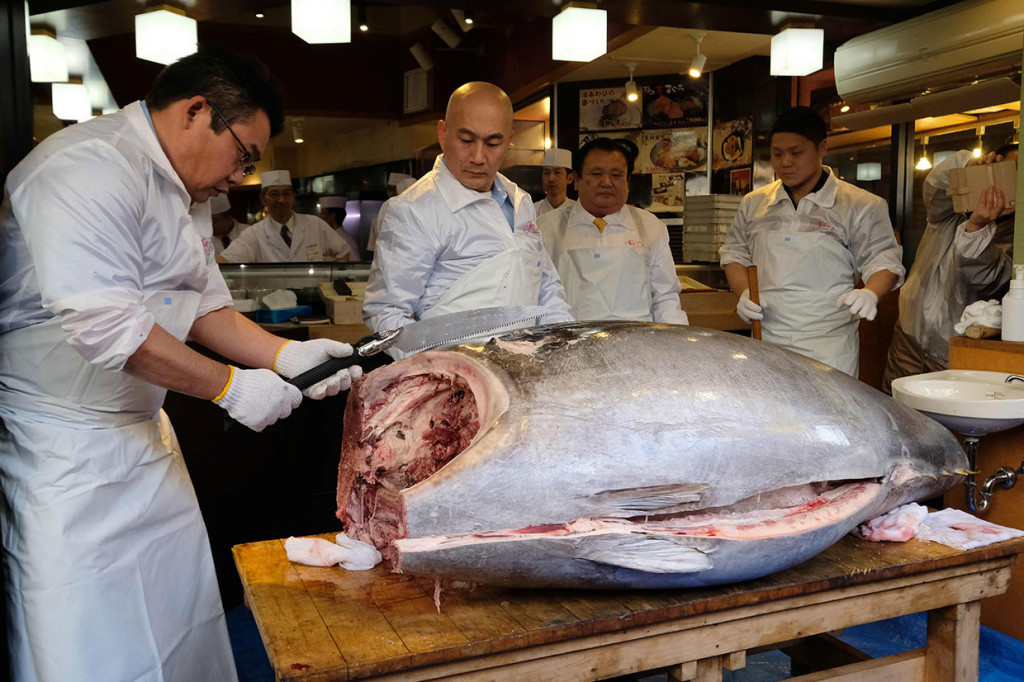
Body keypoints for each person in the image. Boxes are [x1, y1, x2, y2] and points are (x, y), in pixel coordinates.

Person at [0, 48, 363, 681]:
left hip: (144, 442)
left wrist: (287, 354)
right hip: (60, 448)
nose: (241, 178)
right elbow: (106, 326)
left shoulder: (186, 189)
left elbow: (201, 307)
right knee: (84, 634)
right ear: (197, 112)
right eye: (244, 156)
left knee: (179, 623)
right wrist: (231, 389)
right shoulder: (86, 167)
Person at [362, 81, 574, 347]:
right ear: (443, 133)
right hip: (456, 376)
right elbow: (386, 313)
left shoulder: (520, 201)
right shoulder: (412, 210)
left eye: (493, 143)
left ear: (509, 140)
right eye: (466, 140)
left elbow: (546, 288)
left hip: (524, 370)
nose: (478, 156)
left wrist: (563, 348)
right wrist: (443, 373)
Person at [719, 106, 904, 376]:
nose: (785, 162)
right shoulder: (754, 204)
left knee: (826, 415)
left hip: (829, 345)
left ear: (821, 148)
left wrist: (870, 292)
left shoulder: (861, 205)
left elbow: (884, 259)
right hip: (768, 338)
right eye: (777, 153)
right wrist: (744, 292)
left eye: (796, 153)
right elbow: (735, 254)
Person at [883, 144, 1018, 392]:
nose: (1006, 185)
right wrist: (967, 166)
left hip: (952, 356)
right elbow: (933, 187)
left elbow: (983, 277)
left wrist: (978, 227)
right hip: (907, 340)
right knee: (892, 418)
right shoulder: (947, 213)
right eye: (1003, 171)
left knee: (941, 426)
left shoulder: (1015, 239)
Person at [538, 137, 689, 324]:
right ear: (576, 180)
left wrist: (673, 347)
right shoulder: (545, 229)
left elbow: (665, 298)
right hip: (571, 343)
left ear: (628, 181)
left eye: (616, 175)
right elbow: (538, 298)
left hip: (638, 342)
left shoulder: (650, 226)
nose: (607, 182)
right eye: (596, 174)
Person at [219, 170, 353, 262]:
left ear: (293, 197)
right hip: (273, 302)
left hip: (314, 299)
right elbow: (226, 259)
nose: (281, 200)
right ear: (263, 198)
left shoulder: (315, 224)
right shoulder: (253, 234)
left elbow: (343, 252)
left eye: (286, 193)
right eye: (274, 194)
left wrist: (333, 283)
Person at [366, 173, 415, 254]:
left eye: (395, 189)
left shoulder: (415, 218)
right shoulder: (377, 219)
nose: (392, 193)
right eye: (389, 189)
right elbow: (373, 250)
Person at [533, 147, 576, 217]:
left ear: (569, 178)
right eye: (547, 173)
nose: (551, 179)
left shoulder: (577, 211)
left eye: (557, 172)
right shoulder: (533, 210)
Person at [319, 195, 361, 261]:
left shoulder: (346, 241)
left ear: (332, 216)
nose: (320, 217)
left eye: (323, 213)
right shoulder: (329, 236)